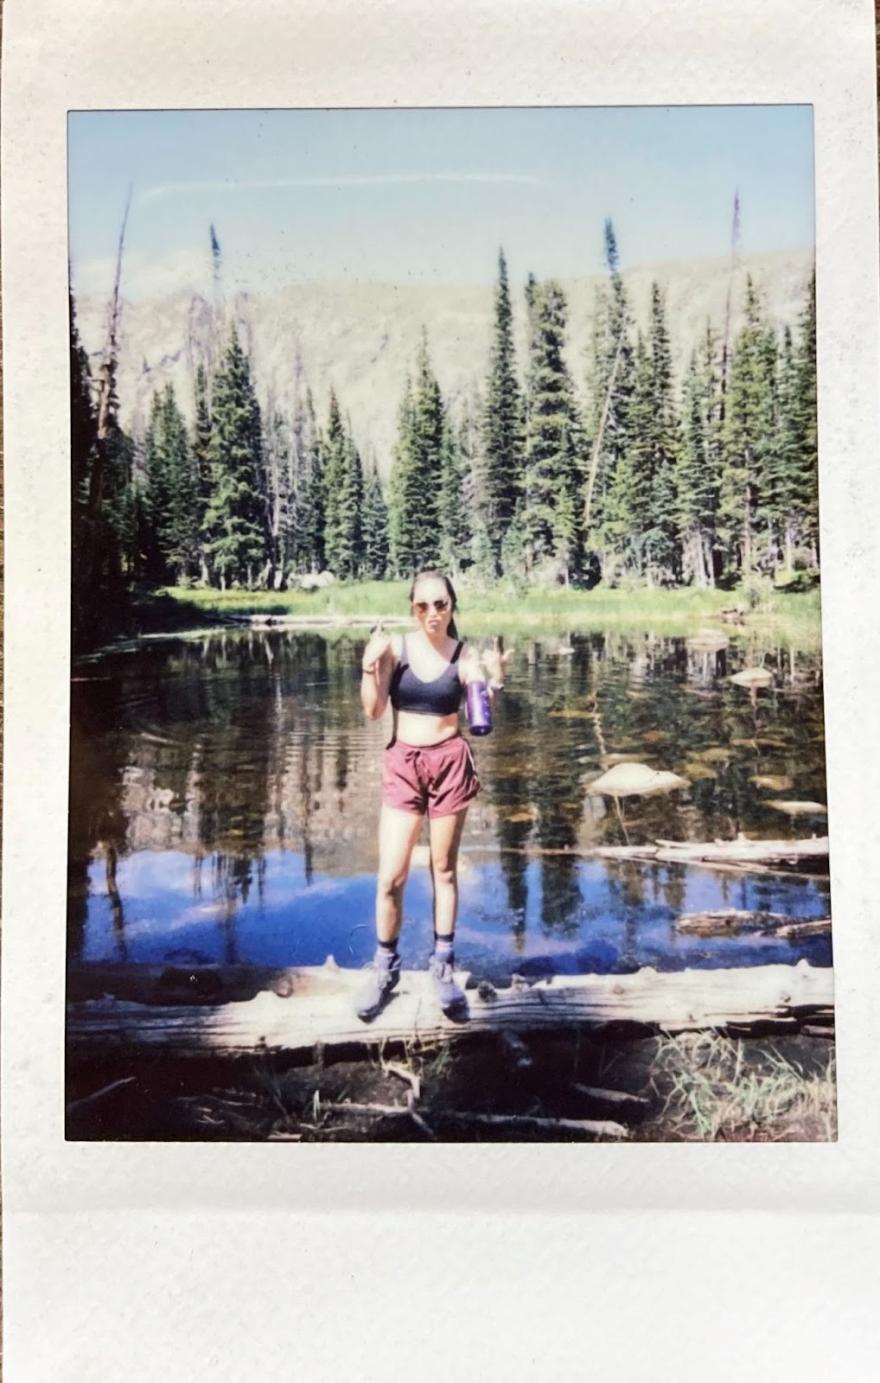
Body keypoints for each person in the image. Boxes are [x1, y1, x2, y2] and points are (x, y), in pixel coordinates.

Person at [356, 569, 512, 1021]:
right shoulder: (396, 650)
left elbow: (482, 722)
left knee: (444, 869)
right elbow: (373, 709)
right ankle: (385, 967)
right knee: (391, 876)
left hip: (449, 764)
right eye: (422, 605)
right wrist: (370, 664)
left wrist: (495, 683)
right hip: (403, 764)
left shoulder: (464, 658)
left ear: (451, 606)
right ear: (412, 608)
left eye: (440, 604)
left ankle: (442, 966)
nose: (432, 614)